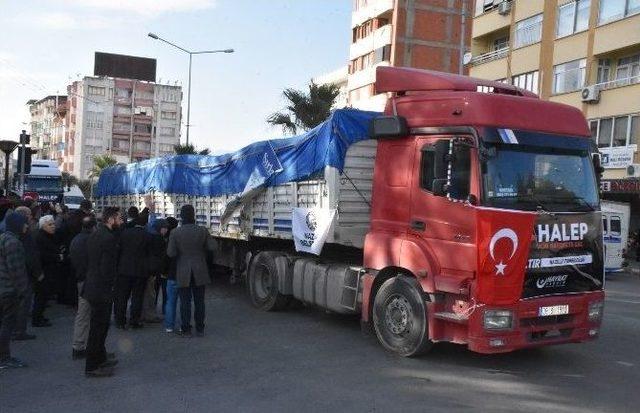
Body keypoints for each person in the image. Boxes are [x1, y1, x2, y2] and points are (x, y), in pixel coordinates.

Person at [82, 207, 122, 378]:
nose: (121, 221)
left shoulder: (95, 234)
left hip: (92, 286)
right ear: (111, 220)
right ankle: (92, 366)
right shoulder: (108, 238)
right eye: (119, 218)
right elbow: (107, 268)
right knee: (98, 328)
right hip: (101, 290)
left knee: (100, 326)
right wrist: (111, 286)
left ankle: (100, 358)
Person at [167, 205, 215, 337]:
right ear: (194, 215)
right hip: (200, 269)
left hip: (183, 271)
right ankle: (200, 328)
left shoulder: (175, 233)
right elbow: (212, 246)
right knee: (200, 301)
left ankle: (186, 329)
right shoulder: (202, 230)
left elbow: (171, 253)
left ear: (181, 216)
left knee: (185, 302)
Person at [0, 212, 30, 369]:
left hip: (3, 287)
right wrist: (23, 291)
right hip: (8, 290)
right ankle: (4, 357)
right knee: (7, 324)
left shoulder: (4, 238)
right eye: (25, 223)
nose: (27, 225)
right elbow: (16, 270)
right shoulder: (13, 243)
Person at [11, 206, 41, 341]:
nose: (31, 218)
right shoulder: (23, 235)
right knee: (23, 304)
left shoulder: (12, 233)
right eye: (29, 216)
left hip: (18, 276)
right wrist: (37, 272)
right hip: (23, 275)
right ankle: (19, 331)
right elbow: (30, 256)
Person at [114, 215, 149, 329]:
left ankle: (120, 320)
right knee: (137, 297)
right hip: (140, 270)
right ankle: (134, 320)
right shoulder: (146, 235)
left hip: (124, 269)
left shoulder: (124, 233)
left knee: (122, 296)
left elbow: (118, 250)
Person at [69, 216, 97, 360]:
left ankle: (79, 345)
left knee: (83, 314)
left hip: (80, 278)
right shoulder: (91, 241)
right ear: (93, 227)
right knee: (89, 314)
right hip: (90, 281)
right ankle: (82, 346)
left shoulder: (75, 240)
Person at [33, 215, 63, 327]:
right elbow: (41, 255)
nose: (53, 226)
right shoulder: (40, 237)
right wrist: (57, 257)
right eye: (50, 224)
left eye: (53, 224)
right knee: (41, 296)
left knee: (43, 296)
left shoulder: (48, 236)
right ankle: (37, 318)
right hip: (43, 271)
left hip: (48, 270)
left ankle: (39, 316)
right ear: (43, 226)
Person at [142, 219, 168, 323]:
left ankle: (145, 313)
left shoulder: (149, 237)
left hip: (147, 269)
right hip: (153, 270)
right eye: (164, 228)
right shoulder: (159, 239)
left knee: (149, 292)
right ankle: (149, 315)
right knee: (151, 293)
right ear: (160, 228)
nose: (166, 230)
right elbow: (161, 257)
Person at [163, 217, 179, 333]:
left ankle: (169, 325)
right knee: (184, 301)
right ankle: (184, 325)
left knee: (170, 301)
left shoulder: (168, 241)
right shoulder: (182, 238)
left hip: (171, 274)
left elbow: (167, 257)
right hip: (183, 275)